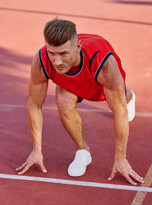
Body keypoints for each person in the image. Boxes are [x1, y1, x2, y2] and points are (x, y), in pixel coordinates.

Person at [16, 18, 144, 185]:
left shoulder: (104, 64)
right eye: (51, 53)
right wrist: (36, 150)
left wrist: (121, 159)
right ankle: (83, 151)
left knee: (121, 101)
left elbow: (120, 111)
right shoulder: (41, 61)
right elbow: (34, 105)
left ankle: (129, 97)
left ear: (78, 47)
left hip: (98, 82)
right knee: (62, 99)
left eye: (63, 53)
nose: (57, 61)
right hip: (70, 83)